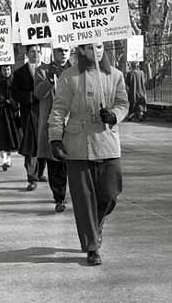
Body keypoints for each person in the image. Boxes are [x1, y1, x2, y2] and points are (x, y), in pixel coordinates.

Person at [48, 43, 128, 266]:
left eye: (100, 46)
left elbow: (123, 103)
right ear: (81, 50)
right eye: (90, 47)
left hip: (107, 143)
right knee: (84, 201)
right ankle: (92, 246)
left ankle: (97, 225)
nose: (97, 51)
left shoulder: (116, 75)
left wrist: (113, 115)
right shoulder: (69, 76)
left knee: (110, 194)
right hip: (78, 146)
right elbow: (58, 110)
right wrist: (55, 138)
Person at [34, 47, 71, 212]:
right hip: (53, 122)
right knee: (55, 162)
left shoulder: (76, 70)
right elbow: (38, 94)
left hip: (73, 123)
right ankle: (59, 197)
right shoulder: (41, 71)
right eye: (59, 51)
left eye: (66, 50)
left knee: (70, 162)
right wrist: (49, 80)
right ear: (52, 52)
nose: (63, 54)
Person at [12, 44, 42, 191]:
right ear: (27, 53)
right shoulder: (19, 73)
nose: (35, 54)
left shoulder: (49, 70)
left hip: (45, 112)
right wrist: (28, 97)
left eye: (38, 51)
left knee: (45, 143)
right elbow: (14, 93)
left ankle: (39, 172)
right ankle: (32, 177)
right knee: (31, 145)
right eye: (32, 51)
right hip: (29, 113)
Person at [0, 65, 21, 170]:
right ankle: (4, 158)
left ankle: (8, 158)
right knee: (2, 136)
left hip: (12, 113)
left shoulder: (15, 81)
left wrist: (12, 101)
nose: (6, 72)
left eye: (8, 69)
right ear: (0, 71)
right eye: (4, 70)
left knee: (11, 136)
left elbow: (18, 95)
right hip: (1, 113)